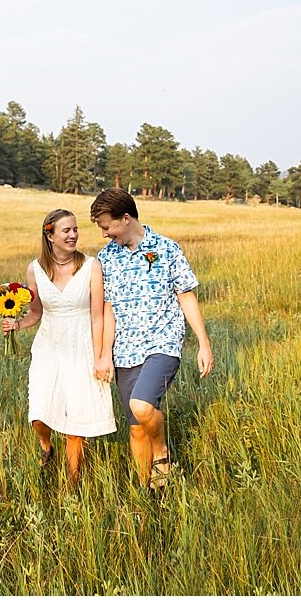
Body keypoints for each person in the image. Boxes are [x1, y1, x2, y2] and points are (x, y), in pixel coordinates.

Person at [90, 187, 213, 492]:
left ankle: (162, 452)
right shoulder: (106, 258)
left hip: (163, 343)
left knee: (143, 406)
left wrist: (203, 343)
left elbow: (186, 296)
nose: (105, 234)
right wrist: (105, 354)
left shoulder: (168, 249)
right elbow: (108, 310)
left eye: (107, 226)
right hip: (125, 349)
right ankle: (149, 493)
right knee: (135, 429)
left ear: (126, 218)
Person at [0, 208, 117, 486]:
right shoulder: (35, 269)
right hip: (48, 348)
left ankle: (71, 487)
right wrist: (16, 325)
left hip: (82, 346)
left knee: (75, 425)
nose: (74, 235)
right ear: (49, 235)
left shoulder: (91, 266)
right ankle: (45, 445)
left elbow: (98, 315)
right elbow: (36, 312)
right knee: (38, 414)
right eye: (67, 230)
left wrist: (101, 356)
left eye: (76, 229)